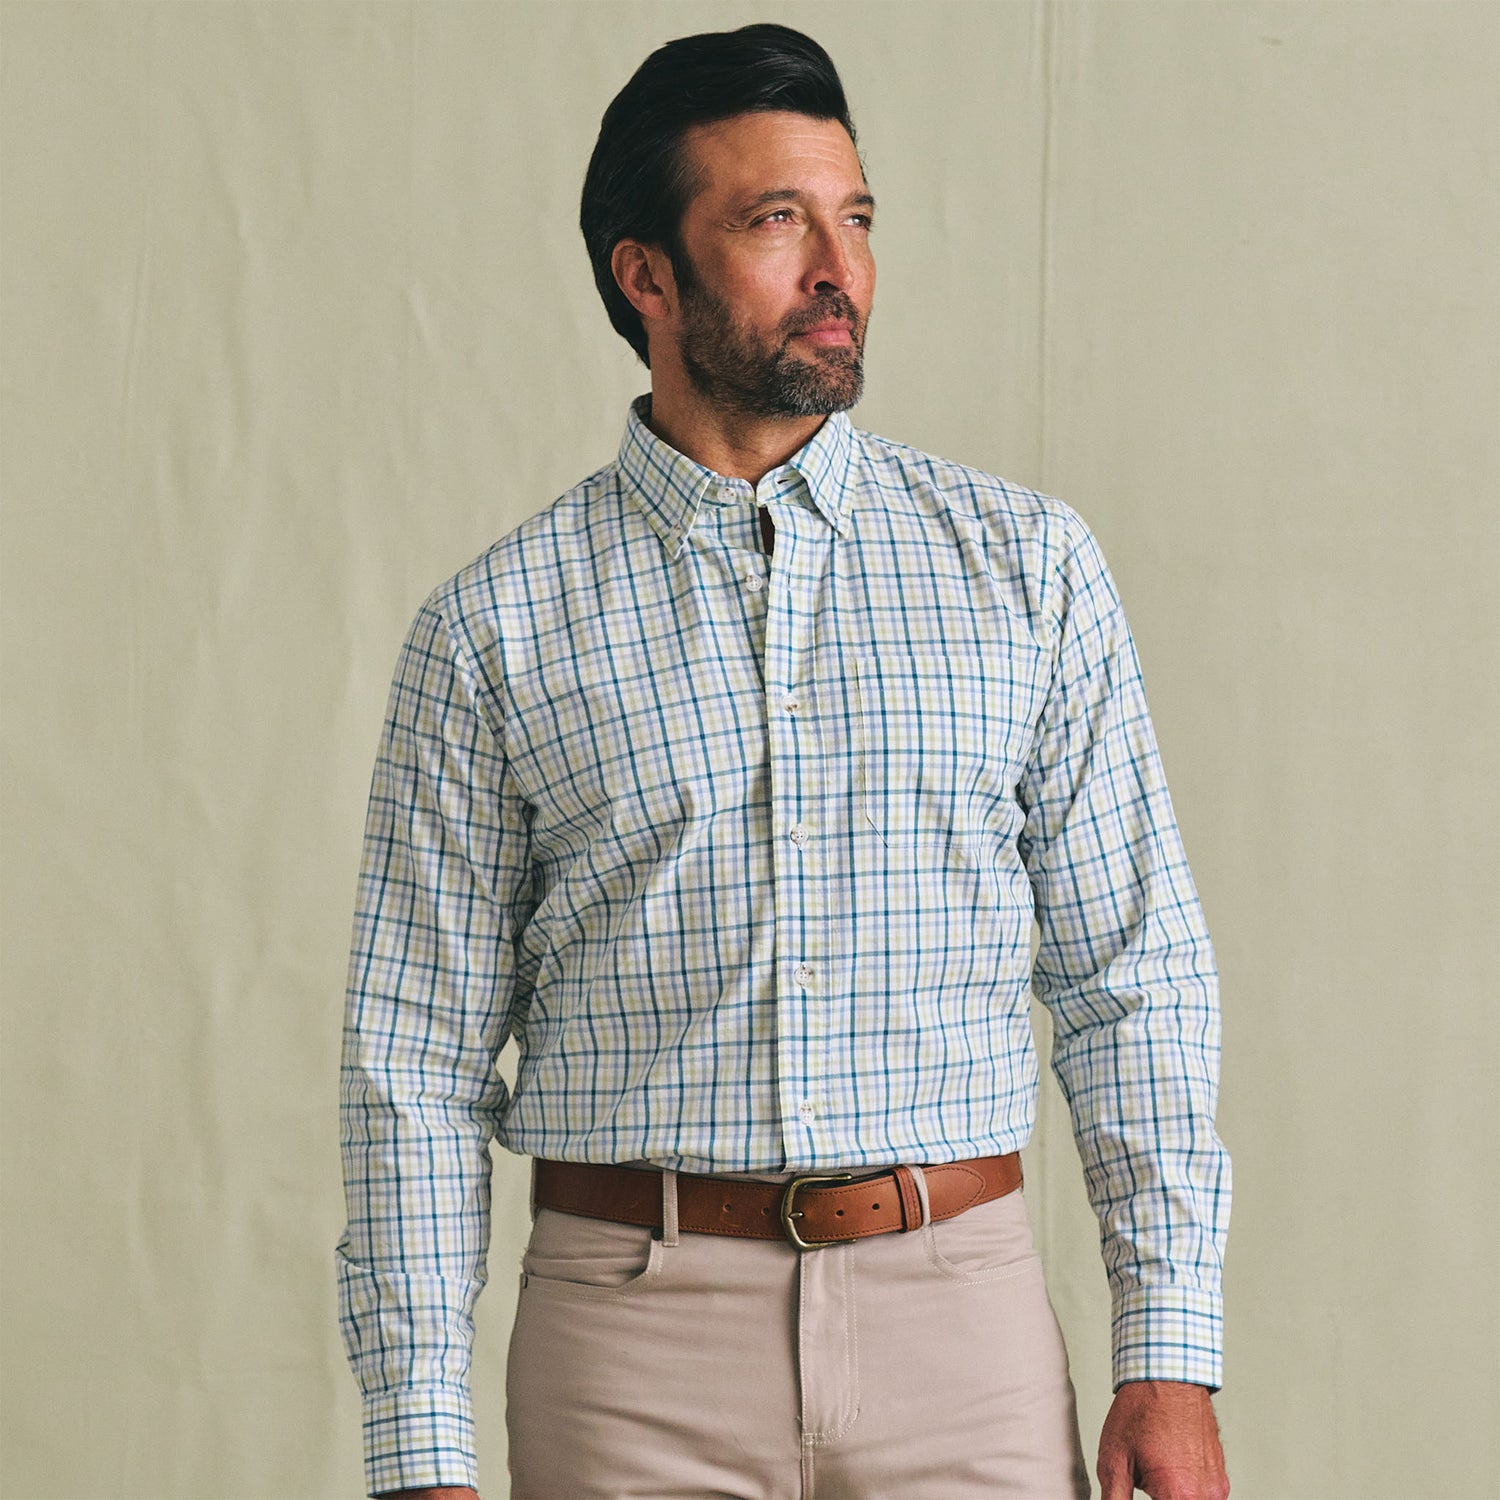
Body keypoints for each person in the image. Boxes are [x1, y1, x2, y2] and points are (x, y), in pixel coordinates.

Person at [336, 22, 1231, 1500]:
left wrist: (1169, 1353)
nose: (840, 267)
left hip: (965, 1323)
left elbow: (1135, 974)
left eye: (856, 218)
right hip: (631, 1350)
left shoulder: (1028, 570)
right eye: (776, 221)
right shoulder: (493, 630)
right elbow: (412, 1060)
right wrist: (418, 1445)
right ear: (647, 276)